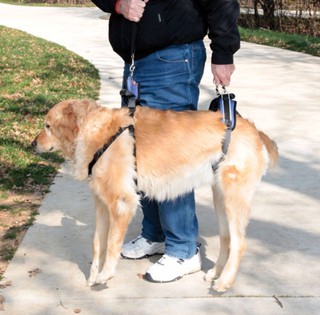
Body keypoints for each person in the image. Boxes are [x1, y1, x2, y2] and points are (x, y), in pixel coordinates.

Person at [91, 0, 240, 283]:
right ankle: (155, 235)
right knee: (141, 155)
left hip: (173, 58)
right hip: (135, 59)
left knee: (171, 157)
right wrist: (118, 4)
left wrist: (224, 52)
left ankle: (183, 249)